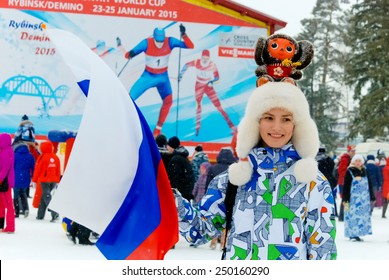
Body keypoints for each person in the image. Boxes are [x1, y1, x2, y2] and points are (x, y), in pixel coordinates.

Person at [173, 82, 337, 260]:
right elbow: (199, 231)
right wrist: (171, 200)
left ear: (297, 125)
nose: (276, 127)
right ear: (255, 122)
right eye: (268, 117)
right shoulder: (233, 179)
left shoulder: (313, 182)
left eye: (286, 119)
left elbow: (323, 250)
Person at [122, 25, 194, 137]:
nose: (160, 44)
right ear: (154, 38)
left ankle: (157, 130)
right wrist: (132, 53)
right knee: (129, 98)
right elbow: (128, 55)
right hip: (148, 76)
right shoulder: (146, 43)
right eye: (157, 41)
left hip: (162, 78)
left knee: (168, 101)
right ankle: (123, 121)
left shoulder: (170, 41)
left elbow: (190, 46)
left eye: (161, 41)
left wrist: (184, 35)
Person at [178, 49, 236, 136]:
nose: (205, 60)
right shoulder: (197, 62)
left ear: (209, 58)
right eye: (203, 58)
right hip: (199, 85)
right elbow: (186, 65)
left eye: (206, 58)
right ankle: (197, 128)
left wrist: (212, 81)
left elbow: (217, 77)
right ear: (201, 57)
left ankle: (231, 126)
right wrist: (181, 75)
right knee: (198, 106)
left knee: (218, 106)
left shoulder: (212, 65)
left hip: (208, 86)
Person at [205, 146, 236, 250]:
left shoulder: (213, 168)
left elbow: (208, 184)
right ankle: (224, 242)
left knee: (215, 219)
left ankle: (213, 241)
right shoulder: (234, 168)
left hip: (215, 197)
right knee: (227, 221)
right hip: (230, 197)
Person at [342, 154, 375, 242]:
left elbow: (369, 183)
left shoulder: (365, 170)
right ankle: (352, 234)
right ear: (353, 161)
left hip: (363, 200)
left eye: (359, 161)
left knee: (361, 217)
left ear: (362, 162)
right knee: (351, 215)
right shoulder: (350, 171)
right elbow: (346, 186)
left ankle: (358, 234)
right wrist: (345, 199)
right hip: (352, 199)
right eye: (356, 161)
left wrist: (372, 195)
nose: (358, 162)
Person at [32, 141, 61, 222]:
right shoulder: (55, 157)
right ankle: (40, 215)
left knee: (46, 196)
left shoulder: (42, 157)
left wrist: (34, 180)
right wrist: (57, 179)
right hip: (54, 180)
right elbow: (58, 169)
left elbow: (37, 170)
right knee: (45, 196)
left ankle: (54, 213)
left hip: (44, 180)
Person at [166, 136, 195, 201]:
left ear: (172, 146)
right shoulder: (183, 157)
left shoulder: (176, 159)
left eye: (168, 145)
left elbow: (175, 179)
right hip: (185, 194)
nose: (167, 147)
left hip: (180, 195)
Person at [12, 141, 35, 218]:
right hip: (26, 176)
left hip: (16, 177)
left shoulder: (14, 155)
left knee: (16, 195)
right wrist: (33, 176)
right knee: (23, 193)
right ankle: (26, 209)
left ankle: (17, 211)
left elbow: (11, 167)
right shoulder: (30, 156)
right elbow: (33, 167)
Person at [0, 133, 16, 233]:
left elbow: (6, 168)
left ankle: (10, 226)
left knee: (8, 204)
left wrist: (0, 178)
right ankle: (1, 225)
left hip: (5, 182)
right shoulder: (4, 151)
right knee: (2, 204)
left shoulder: (7, 152)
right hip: (3, 181)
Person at [316, 147, 338, 216]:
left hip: (318, 182)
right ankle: (333, 211)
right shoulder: (328, 160)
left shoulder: (315, 160)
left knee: (319, 198)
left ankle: (319, 211)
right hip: (329, 181)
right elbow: (333, 169)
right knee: (330, 197)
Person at [337, 145, 356, 221]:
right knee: (345, 199)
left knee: (346, 198)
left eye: (354, 151)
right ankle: (343, 215)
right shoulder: (345, 159)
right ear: (348, 151)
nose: (354, 153)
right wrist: (349, 170)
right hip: (344, 181)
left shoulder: (349, 159)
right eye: (352, 151)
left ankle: (344, 214)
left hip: (346, 181)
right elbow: (341, 170)